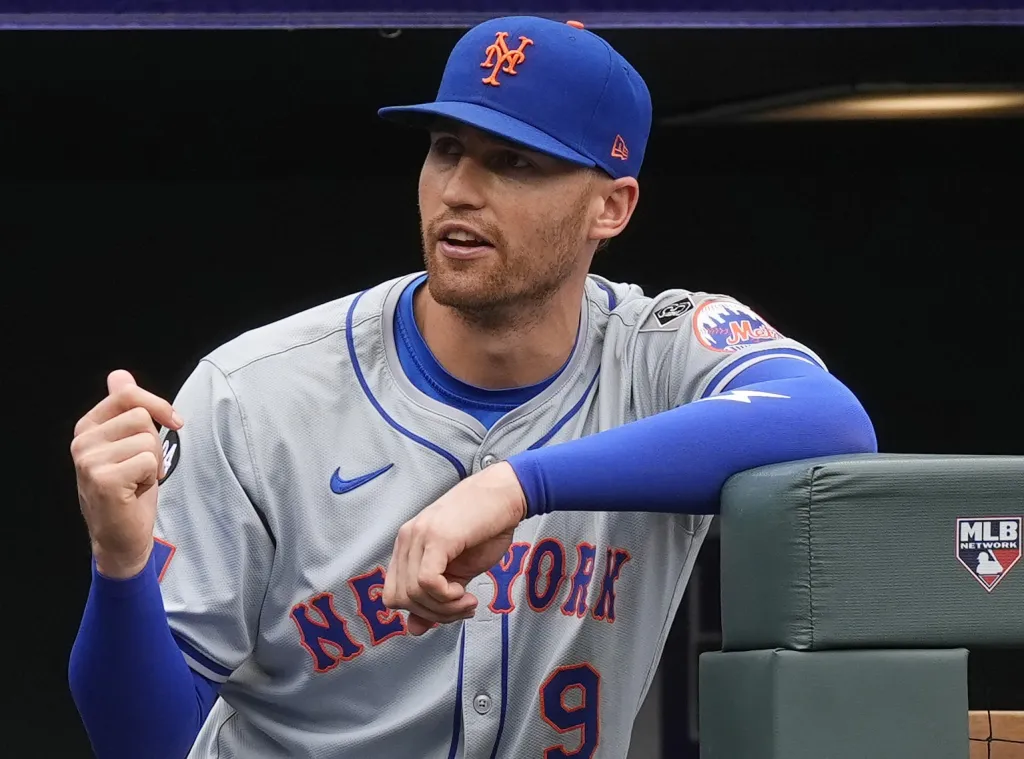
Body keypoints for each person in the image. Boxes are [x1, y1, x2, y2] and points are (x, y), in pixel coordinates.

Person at [68, 15, 877, 759]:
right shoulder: (256, 393)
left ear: (611, 206)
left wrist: (517, 485)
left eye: (513, 161)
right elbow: (145, 744)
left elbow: (831, 421)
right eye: (446, 148)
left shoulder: (656, 352)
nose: (459, 188)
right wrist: (120, 564)